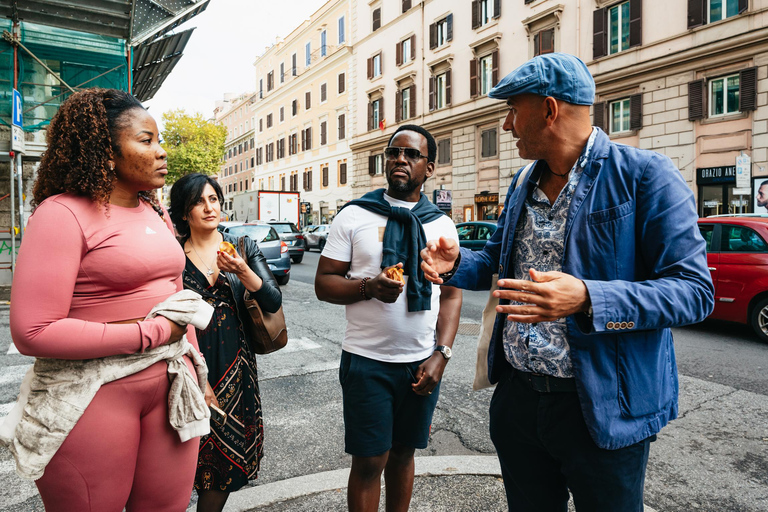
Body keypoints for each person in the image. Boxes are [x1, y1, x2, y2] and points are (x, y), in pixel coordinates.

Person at [420, 53, 715, 511]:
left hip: (600, 407)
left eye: (514, 110)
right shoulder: (522, 181)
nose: (506, 125)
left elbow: (694, 291)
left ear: (549, 110)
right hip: (519, 401)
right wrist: (456, 263)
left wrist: (587, 297)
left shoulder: (645, 175)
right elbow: (500, 261)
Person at [8, 88, 216, 511]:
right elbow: (33, 331)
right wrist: (152, 334)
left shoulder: (154, 212)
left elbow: (176, 297)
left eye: (159, 140)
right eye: (146, 140)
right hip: (92, 393)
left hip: (172, 385)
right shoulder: (60, 213)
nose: (161, 152)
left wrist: (199, 372)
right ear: (105, 149)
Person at [315, 124, 462, 512]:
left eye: (412, 154)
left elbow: (451, 294)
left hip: (420, 361)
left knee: (403, 455)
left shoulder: (441, 224)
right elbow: (323, 284)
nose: (401, 159)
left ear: (428, 168)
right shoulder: (354, 215)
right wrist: (369, 288)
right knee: (369, 462)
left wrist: (441, 355)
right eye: (394, 152)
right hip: (366, 362)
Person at [169, 173, 282, 512]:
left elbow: (273, 300)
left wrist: (243, 270)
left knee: (223, 468)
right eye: (198, 201)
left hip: (236, 370)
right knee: (180, 461)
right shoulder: (172, 254)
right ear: (184, 211)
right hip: (188, 366)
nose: (208, 207)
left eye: (213, 199)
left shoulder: (243, 246)